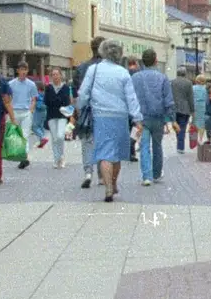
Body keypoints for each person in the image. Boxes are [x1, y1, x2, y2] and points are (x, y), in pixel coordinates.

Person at [77, 39, 144, 202]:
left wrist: (79, 108)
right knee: (117, 154)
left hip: (100, 117)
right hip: (120, 117)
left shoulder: (94, 69)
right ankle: (113, 184)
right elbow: (131, 97)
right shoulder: (123, 72)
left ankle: (107, 187)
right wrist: (137, 118)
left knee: (104, 153)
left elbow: (83, 93)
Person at [131, 49, 175, 186]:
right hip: (158, 117)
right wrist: (171, 119)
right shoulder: (162, 78)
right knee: (157, 145)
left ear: (142, 61)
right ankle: (156, 173)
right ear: (156, 61)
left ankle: (147, 176)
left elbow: (131, 98)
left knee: (144, 146)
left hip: (141, 118)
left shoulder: (135, 78)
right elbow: (168, 100)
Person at [73, 36, 106, 189]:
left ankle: (88, 172)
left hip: (85, 110)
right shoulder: (107, 68)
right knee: (101, 142)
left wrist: (77, 111)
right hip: (103, 110)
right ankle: (101, 174)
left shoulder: (81, 68)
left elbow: (76, 93)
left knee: (87, 141)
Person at [6, 61, 39, 170]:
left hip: (26, 112)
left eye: (25, 70)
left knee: (25, 135)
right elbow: (8, 99)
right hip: (15, 111)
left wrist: (31, 110)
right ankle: (20, 157)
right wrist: (9, 112)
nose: (24, 72)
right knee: (16, 136)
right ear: (18, 71)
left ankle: (24, 158)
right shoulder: (11, 84)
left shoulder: (31, 84)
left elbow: (34, 99)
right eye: (21, 70)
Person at [42, 68, 74, 168]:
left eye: (57, 74)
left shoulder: (65, 87)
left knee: (60, 136)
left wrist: (55, 101)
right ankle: (56, 160)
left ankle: (61, 157)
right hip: (51, 115)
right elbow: (47, 101)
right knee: (54, 138)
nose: (55, 76)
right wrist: (57, 101)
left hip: (62, 116)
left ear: (61, 75)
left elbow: (66, 102)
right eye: (53, 74)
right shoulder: (48, 88)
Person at [171, 70, 194, 152]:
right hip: (185, 108)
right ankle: (180, 146)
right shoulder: (189, 83)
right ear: (185, 74)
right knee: (183, 127)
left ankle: (179, 143)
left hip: (174, 108)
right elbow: (190, 97)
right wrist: (192, 110)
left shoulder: (172, 82)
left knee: (176, 126)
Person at [191, 76, 210, 146]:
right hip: (202, 106)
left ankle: (193, 140)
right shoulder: (205, 89)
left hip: (194, 106)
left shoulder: (193, 88)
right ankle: (200, 139)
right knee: (202, 123)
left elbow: (191, 97)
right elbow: (206, 99)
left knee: (194, 122)